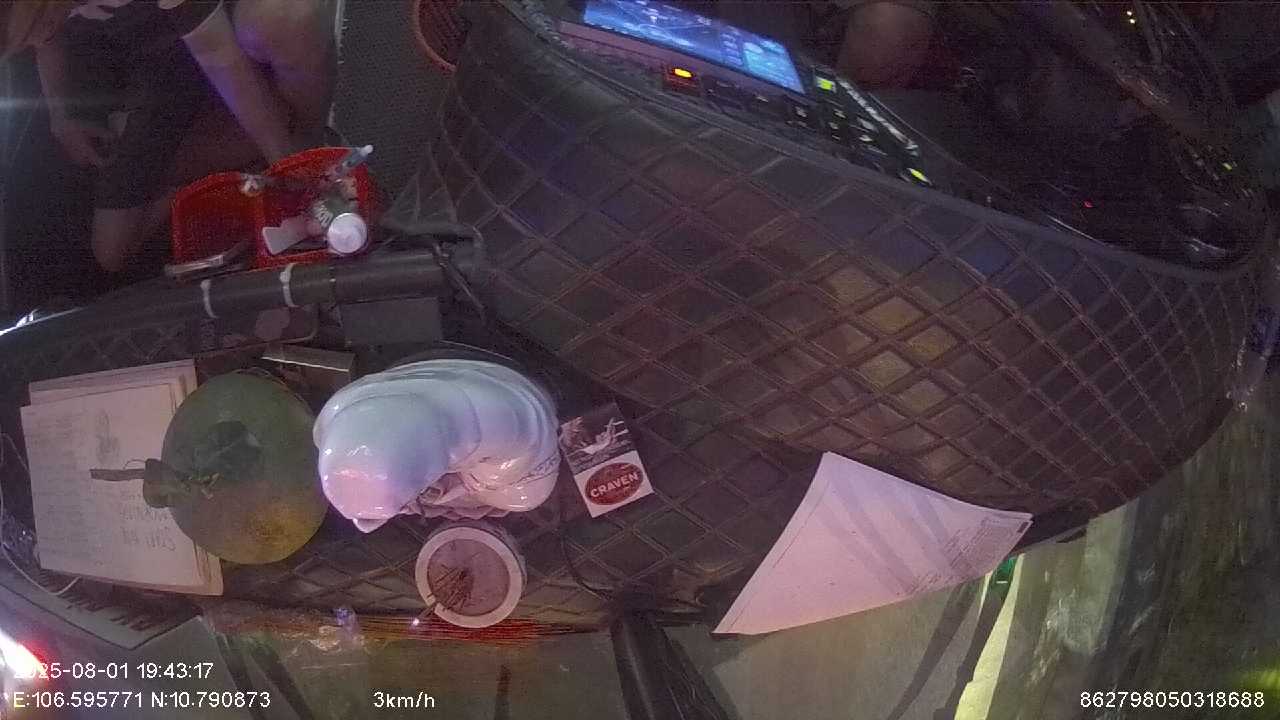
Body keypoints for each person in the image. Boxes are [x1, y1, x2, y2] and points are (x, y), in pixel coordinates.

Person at [1, 0, 336, 275]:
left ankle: (309, 152)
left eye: (38, 23)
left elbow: (219, 56)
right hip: (154, 60)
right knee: (110, 251)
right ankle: (267, 156)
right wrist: (61, 117)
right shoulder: (40, 21)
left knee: (287, 18)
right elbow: (47, 40)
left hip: (208, 31)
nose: (37, 37)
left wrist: (289, 161)